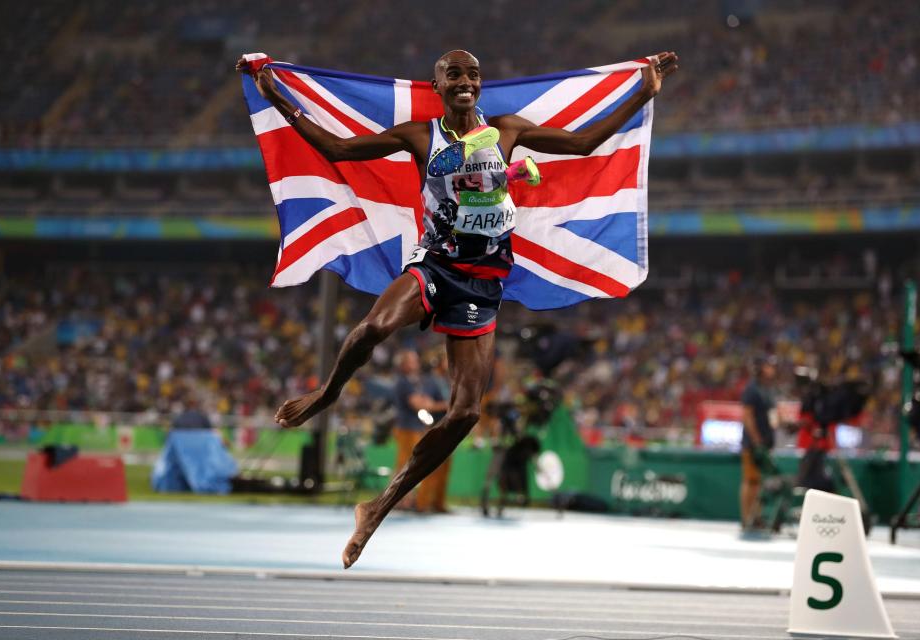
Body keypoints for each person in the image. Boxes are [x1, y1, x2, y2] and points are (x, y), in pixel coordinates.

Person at [238, 49, 679, 568]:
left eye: (472, 73)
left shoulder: (508, 130)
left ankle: (376, 509)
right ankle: (326, 394)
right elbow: (337, 149)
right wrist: (280, 99)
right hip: (435, 263)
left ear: (480, 84)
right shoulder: (419, 136)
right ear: (439, 85)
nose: (465, 80)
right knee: (373, 326)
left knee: (466, 412)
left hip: (483, 280)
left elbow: (583, 143)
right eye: (454, 74)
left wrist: (642, 92)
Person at [392, 349, 447, 511]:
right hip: (407, 427)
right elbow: (419, 404)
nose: (416, 363)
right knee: (405, 466)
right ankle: (399, 500)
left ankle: (404, 500)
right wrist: (442, 405)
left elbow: (425, 402)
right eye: (411, 360)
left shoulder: (415, 381)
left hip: (415, 427)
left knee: (409, 466)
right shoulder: (404, 382)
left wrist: (428, 403)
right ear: (403, 364)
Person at [740, 355, 778, 531]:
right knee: (751, 480)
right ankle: (747, 517)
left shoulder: (769, 390)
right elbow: (747, 417)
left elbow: (773, 415)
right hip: (753, 444)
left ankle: (757, 516)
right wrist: (756, 441)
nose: (772, 369)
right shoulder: (752, 389)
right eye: (768, 366)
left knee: (760, 483)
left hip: (766, 442)